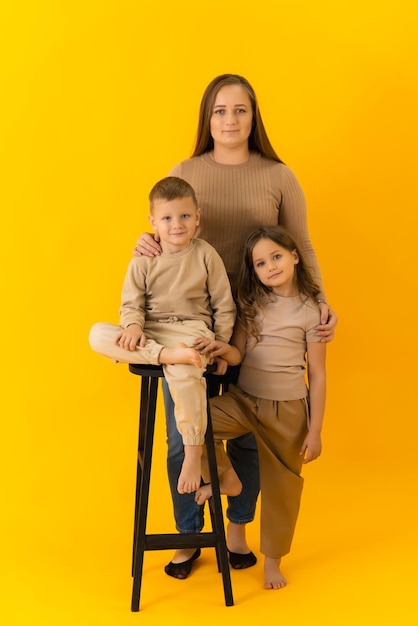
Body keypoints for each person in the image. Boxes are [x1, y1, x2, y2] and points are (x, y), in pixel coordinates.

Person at [133, 74, 337, 578]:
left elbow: (302, 244)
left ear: (254, 116)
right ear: (207, 118)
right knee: (185, 434)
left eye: (240, 110)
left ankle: (238, 532)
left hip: (249, 320)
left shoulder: (278, 175)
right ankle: (188, 535)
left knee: (245, 435)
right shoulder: (187, 169)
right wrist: (143, 243)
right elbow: (164, 222)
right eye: (220, 110)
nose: (230, 120)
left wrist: (321, 302)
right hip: (183, 319)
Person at [193, 225, 327, 590]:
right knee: (195, 424)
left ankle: (272, 563)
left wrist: (315, 430)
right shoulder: (250, 305)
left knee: (283, 489)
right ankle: (227, 478)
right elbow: (238, 352)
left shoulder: (312, 313)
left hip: (288, 411)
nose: (270, 267)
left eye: (277, 256)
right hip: (244, 399)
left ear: (295, 256)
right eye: (260, 263)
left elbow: (317, 374)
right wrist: (221, 351)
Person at [89, 176, 239, 496]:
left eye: (185, 216)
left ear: (197, 217)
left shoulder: (205, 255)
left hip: (193, 331)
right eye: (167, 218)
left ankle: (193, 451)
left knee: (186, 373)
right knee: (97, 334)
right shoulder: (143, 259)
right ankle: (166, 356)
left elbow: (224, 306)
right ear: (153, 221)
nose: (177, 225)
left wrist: (221, 344)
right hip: (153, 334)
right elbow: (131, 304)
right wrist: (132, 326)